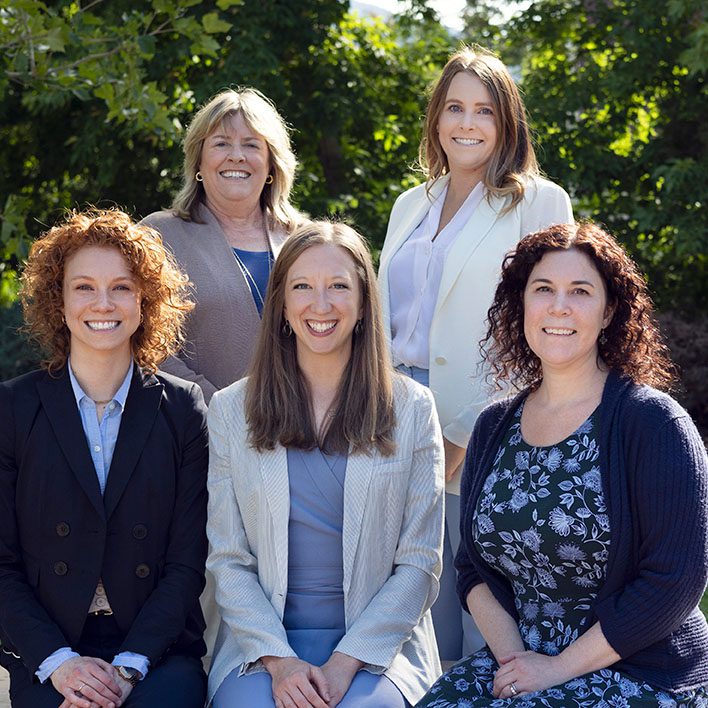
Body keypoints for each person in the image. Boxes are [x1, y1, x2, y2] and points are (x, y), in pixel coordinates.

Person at [418, 222, 708, 706]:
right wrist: (517, 664)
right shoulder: (493, 426)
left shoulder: (652, 424)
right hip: (522, 661)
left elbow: (674, 581)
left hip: (635, 671)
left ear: (609, 309)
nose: (559, 306)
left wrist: (554, 670)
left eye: (580, 291)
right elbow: (471, 566)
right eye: (543, 290)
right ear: (523, 304)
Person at [378, 44, 573, 663]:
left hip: (490, 418)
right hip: (393, 413)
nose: (467, 123)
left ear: (506, 123)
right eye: (454, 108)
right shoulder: (410, 204)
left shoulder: (537, 202)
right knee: (412, 584)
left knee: (478, 590)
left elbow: (545, 327)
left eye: (484, 111)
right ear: (436, 119)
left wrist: (468, 432)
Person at [206, 221, 445, 707]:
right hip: (263, 648)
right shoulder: (232, 409)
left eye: (339, 286)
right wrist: (280, 661)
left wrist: (345, 662)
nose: (321, 304)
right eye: (302, 287)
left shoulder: (413, 408)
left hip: (379, 650)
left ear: (362, 304)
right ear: (282, 305)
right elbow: (228, 560)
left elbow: (420, 563)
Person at [0, 209, 209, 708]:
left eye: (121, 287)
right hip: (48, 652)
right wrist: (59, 663)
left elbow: (186, 564)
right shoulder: (12, 407)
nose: (103, 303)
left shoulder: (182, 408)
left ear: (145, 300)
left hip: (156, 652)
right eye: (84, 287)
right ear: (59, 299)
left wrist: (129, 667)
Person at [142, 87, 303, 404]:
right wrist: (221, 409)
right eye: (221, 143)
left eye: (251, 145)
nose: (237, 155)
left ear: (271, 164)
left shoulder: (305, 240)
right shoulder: (157, 236)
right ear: (198, 161)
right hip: (198, 427)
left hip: (304, 426)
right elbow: (145, 341)